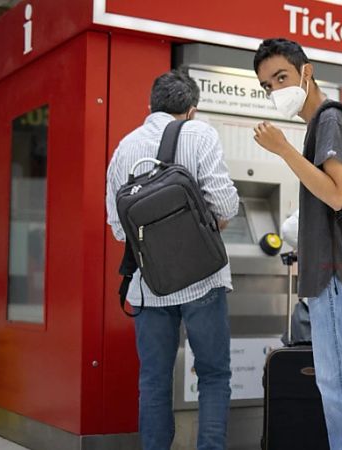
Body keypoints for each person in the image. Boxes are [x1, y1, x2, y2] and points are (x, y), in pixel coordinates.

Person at [252, 38, 342, 450]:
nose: (275, 90)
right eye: (267, 85)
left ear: (306, 72)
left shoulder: (328, 121)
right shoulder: (331, 122)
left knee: (341, 389)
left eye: (281, 77)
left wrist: (284, 150)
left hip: (334, 276)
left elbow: (337, 194)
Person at [105, 68, 239, 450]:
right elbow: (225, 204)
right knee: (213, 375)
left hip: (149, 287)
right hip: (203, 281)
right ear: (191, 110)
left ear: (150, 105)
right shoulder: (200, 134)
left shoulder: (125, 148)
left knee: (153, 379)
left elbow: (119, 227)